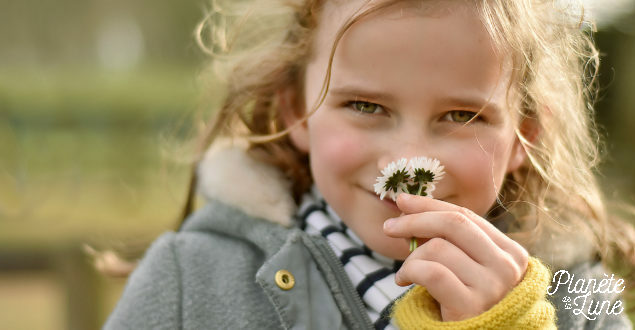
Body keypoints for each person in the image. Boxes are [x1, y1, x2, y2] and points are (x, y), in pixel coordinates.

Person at [104, 0, 635, 328]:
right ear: (298, 112)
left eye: (461, 115)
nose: (408, 161)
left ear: (524, 135)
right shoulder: (189, 281)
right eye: (365, 107)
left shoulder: (577, 301)